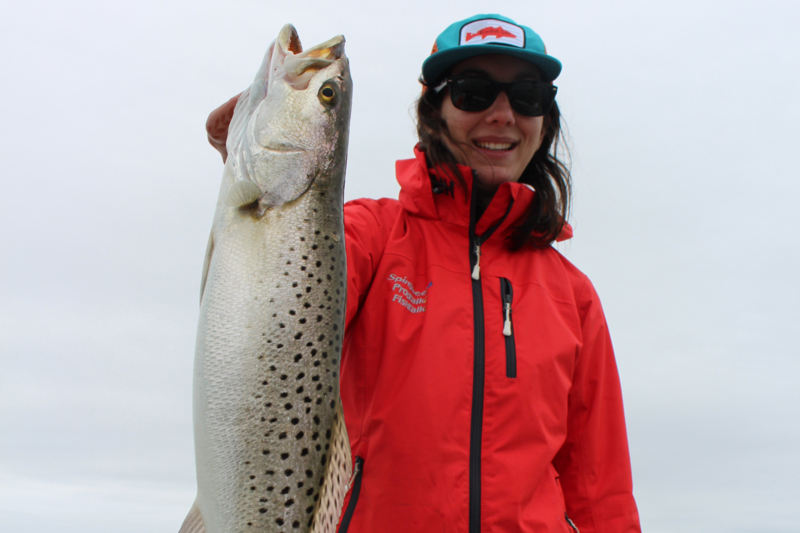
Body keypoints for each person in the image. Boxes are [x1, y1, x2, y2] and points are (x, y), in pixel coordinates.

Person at [207, 13, 641, 533]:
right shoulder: (368, 236)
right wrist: (255, 142)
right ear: (432, 110)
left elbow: (602, 493)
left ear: (545, 118)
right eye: (473, 91)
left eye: (528, 96)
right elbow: (270, 298)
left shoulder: (576, 298)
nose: (502, 113)